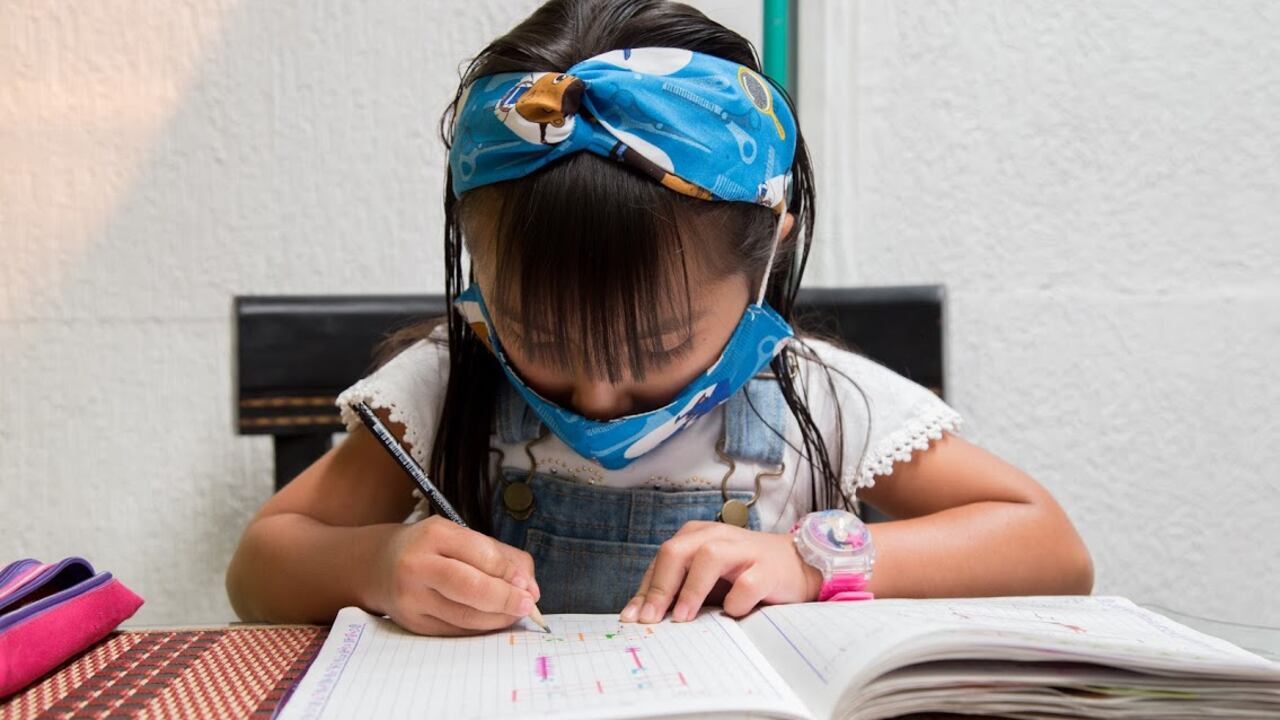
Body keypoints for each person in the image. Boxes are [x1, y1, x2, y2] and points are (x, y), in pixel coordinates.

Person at [226, 0, 1092, 637]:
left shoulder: (815, 400)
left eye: (658, 347)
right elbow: (258, 566)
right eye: (546, 341)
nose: (600, 397)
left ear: (768, 256)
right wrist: (376, 565)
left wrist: (809, 559)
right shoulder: (448, 385)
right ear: (478, 272)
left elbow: (1052, 548)